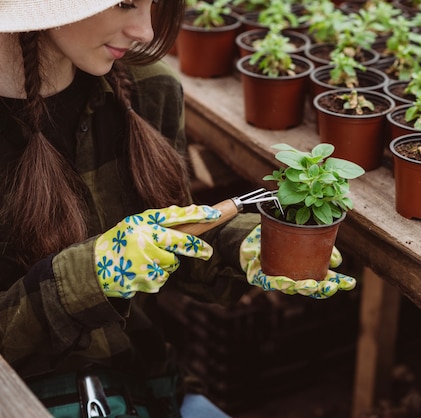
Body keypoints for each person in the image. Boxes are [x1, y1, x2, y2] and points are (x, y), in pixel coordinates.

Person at [0, 1, 356, 417]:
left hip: (145, 380)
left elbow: (171, 246)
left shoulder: (148, 88)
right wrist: (89, 274)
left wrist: (241, 246)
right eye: (124, 4)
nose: (146, 31)